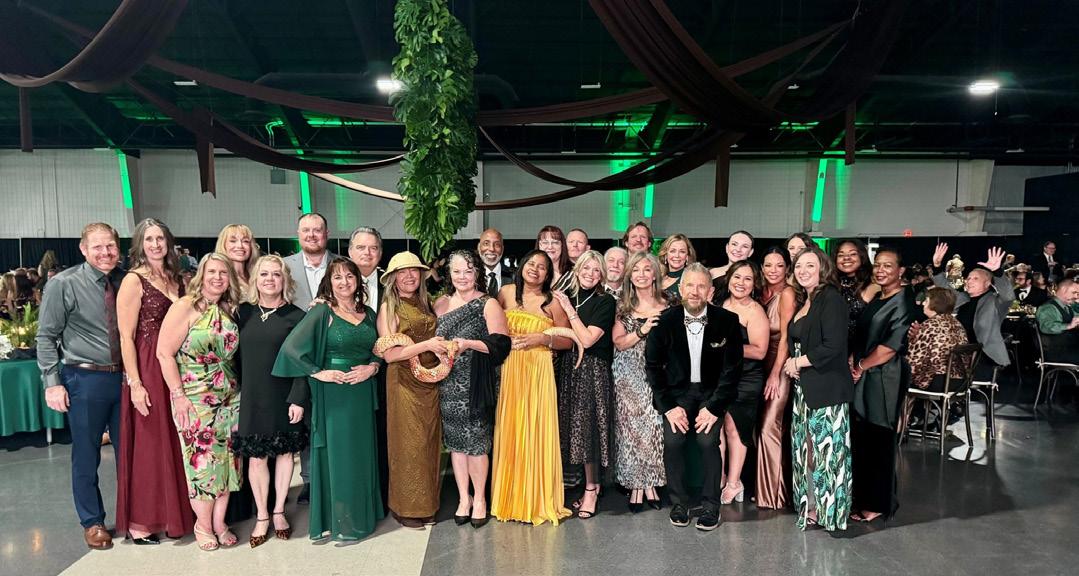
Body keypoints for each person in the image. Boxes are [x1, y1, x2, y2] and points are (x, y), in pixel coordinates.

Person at [272, 257, 384, 541]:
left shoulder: (369, 313)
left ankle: (363, 515)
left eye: (349, 276)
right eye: (337, 277)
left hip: (362, 392)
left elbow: (378, 349)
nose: (344, 282)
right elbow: (291, 348)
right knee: (339, 455)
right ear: (329, 283)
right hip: (334, 394)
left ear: (358, 281)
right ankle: (341, 520)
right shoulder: (322, 312)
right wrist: (318, 372)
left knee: (361, 454)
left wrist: (372, 367)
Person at [38, 223, 125, 549]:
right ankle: (92, 521)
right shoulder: (63, 284)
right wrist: (52, 383)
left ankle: (133, 514)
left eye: (111, 246)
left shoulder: (127, 280)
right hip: (84, 379)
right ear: (83, 249)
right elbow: (46, 336)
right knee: (87, 456)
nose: (105, 253)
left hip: (126, 379)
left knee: (130, 454)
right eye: (98, 247)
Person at [646, 263, 743, 531]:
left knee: (708, 441)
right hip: (677, 395)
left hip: (711, 394)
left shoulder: (728, 321)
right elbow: (653, 368)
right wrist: (668, 407)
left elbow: (732, 371)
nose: (695, 291)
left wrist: (713, 408)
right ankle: (679, 504)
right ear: (680, 288)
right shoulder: (664, 321)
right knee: (673, 441)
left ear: (710, 291)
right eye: (690, 285)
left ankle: (711, 506)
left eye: (701, 286)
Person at [156, 253, 242, 551]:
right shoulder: (185, 306)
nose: (217, 277)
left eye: (223, 273)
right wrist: (178, 395)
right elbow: (164, 353)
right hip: (195, 397)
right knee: (202, 462)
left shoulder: (228, 309)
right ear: (201, 275)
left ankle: (220, 522)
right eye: (212, 272)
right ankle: (202, 525)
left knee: (228, 461)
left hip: (230, 396)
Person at [115, 219, 192, 543]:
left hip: (175, 363)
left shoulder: (177, 279)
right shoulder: (134, 280)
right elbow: (126, 336)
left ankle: (173, 514)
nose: (156, 244)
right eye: (149, 239)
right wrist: (135, 383)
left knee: (175, 439)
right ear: (140, 244)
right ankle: (142, 522)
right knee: (150, 443)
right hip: (147, 367)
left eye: (160, 238)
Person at [492, 249, 575, 525]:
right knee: (511, 429)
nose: (535, 269)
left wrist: (543, 338)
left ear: (548, 274)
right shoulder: (505, 293)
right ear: (522, 265)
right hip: (509, 370)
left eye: (542, 267)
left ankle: (537, 500)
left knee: (536, 429)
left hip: (538, 372)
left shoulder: (553, 302)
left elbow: (568, 341)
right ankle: (510, 499)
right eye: (531, 263)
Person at [232, 255, 308, 547]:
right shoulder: (243, 313)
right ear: (255, 279)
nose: (270, 279)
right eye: (264, 274)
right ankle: (262, 515)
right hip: (252, 396)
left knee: (285, 455)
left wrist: (298, 399)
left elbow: (303, 362)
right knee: (256, 458)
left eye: (276, 274)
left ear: (285, 280)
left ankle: (278, 512)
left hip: (284, 396)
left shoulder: (296, 316)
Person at [433, 250, 510, 528]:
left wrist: (468, 344)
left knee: (477, 444)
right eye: (456, 271)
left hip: (476, 383)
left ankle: (480, 499)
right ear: (449, 274)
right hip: (448, 383)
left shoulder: (488, 303)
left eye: (468, 271)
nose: (462, 276)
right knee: (456, 444)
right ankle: (463, 498)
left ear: (477, 272)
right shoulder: (440, 303)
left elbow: (501, 345)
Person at [782, 245, 853, 532]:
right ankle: (812, 506)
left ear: (823, 269)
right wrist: (794, 364)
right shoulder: (807, 300)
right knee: (808, 451)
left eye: (810, 265)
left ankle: (831, 513)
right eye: (799, 266)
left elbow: (833, 346)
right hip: (805, 387)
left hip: (827, 387)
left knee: (829, 454)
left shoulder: (831, 299)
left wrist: (797, 361)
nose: (803, 271)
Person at [375, 252, 443, 529]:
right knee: (407, 445)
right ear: (392, 278)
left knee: (428, 443)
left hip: (430, 381)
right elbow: (390, 355)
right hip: (403, 382)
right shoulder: (389, 308)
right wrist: (426, 346)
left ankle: (428, 505)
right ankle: (405, 508)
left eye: (414, 271)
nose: (409, 276)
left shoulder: (427, 303)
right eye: (402, 272)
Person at [849, 248, 913, 523]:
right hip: (866, 373)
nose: (881, 270)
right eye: (877, 265)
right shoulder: (878, 297)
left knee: (880, 438)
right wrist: (856, 361)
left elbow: (890, 346)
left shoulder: (904, 301)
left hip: (885, 377)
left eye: (888, 265)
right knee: (864, 438)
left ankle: (878, 503)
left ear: (901, 271)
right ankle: (863, 497)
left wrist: (861, 366)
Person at [552, 250, 617, 519]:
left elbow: (588, 340)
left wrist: (569, 310)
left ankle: (592, 489)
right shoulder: (568, 294)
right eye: (586, 268)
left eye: (596, 270)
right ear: (577, 270)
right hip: (568, 368)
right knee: (572, 430)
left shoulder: (605, 301)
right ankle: (586, 485)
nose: (590, 274)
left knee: (589, 431)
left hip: (592, 370)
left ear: (602, 275)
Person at [282, 212, 335, 503]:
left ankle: (333, 476)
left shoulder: (340, 264)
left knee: (330, 419)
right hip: (298, 353)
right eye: (306, 230)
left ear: (326, 234)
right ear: (298, 234)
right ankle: (310, 480)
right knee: (305, 420)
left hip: (333, 351)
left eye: (317, 230)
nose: (312, 235)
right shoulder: (284, 267)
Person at [611, 252, 668, 512]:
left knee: (654, 429)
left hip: (659, 374)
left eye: (646, 269)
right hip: (628, 373)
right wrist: (642, 330)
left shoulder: (670, 303)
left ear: (655, 273)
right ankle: (635, 484)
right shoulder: (622, 306)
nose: (641, 274)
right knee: (631, 430)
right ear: (629, 276)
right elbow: (619, 343)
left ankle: (651, 482)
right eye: (636, 270)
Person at [716, 261, 769, 506]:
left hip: (745, 378)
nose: (741, 283)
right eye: (737, 277)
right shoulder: (719, 303)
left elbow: (759, 351)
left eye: (748, 279)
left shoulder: (755, 311)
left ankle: (734, 482)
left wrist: (726, 347)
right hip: (719, 377)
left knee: (734, 428)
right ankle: (719, 477)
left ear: (754, 284)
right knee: (716, 429)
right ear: (729, 279)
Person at [346, 226, 389, 509]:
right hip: (349, 375)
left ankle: (381, 495)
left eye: (373, 248)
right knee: (353, 440)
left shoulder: (390, 285)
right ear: (350, 252)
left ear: (380, 253)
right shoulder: (336, 285)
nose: (367, 253)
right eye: (361, 247)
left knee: (382, 436)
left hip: (385, 373)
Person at [756, 248, 798, 510]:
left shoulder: (788, 294)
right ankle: (763, 489)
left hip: (779, 366)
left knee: (770, 427)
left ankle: (774, 495)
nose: (773, 270)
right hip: (757, 365)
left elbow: (785, 337)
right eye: (768, 265)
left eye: (779, 265)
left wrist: (775, 373)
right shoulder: (760, 292)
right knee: (758, 427)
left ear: (787, 268)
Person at [930, 244, 1014, 368]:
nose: (969, 281)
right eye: (968, 278)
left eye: (975, 278)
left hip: (985, 356)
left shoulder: (994, 301)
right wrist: (937, 266)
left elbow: (1008, 296)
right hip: (961, 353)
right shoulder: (963, 298)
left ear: (987, 283)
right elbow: (944, 287)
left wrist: (997, 272)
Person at [907, 287, 969, 391]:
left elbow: (915, 361)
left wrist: (912, 340)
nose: (923, 303)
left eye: (926, 301)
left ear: (935, 304)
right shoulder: (957, 323)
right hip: (960, 381)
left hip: (937, 381)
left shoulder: (930, 324)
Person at [834, 239, 879, 346]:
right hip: (833, 346)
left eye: (853, 254)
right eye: (841, 255)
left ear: (862, 257)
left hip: (861, 348)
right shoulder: (830, 285)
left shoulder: (875, 285)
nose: (846, 258)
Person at [1035, 278, 1079, 364]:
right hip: (1056, 352)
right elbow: (1046, 327)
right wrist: (1069, 326)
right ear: (1063, 290)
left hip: (1068, 349)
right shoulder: (1048, 308)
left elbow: (1076, 316)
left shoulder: (1067, 307)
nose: (1076, 296)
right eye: (1074, 292)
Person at [216, 224, 261, 296]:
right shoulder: (219, 277)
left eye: (245, 241)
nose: (240, 246)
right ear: (223, 245)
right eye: (233, 241)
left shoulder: (258, 275)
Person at [659, 234, 696, 305]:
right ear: (666, 255)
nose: (677, 255)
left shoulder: (691, 280)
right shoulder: (656, 278)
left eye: (682, 252)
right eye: (673, 251)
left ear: (687, 256)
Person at [478, 227, 513, 297]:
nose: (492, 249)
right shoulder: (471, 276)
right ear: (479, 247)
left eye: (497, 244)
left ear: (502, 249)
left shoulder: (514, 276)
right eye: (486, 243)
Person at [537, 225, 573, 292]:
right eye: (545, 242)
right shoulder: (532, 272)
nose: (550, 247)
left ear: (562, 245)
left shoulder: (574, 273)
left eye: (555, 242)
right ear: (539, 245)